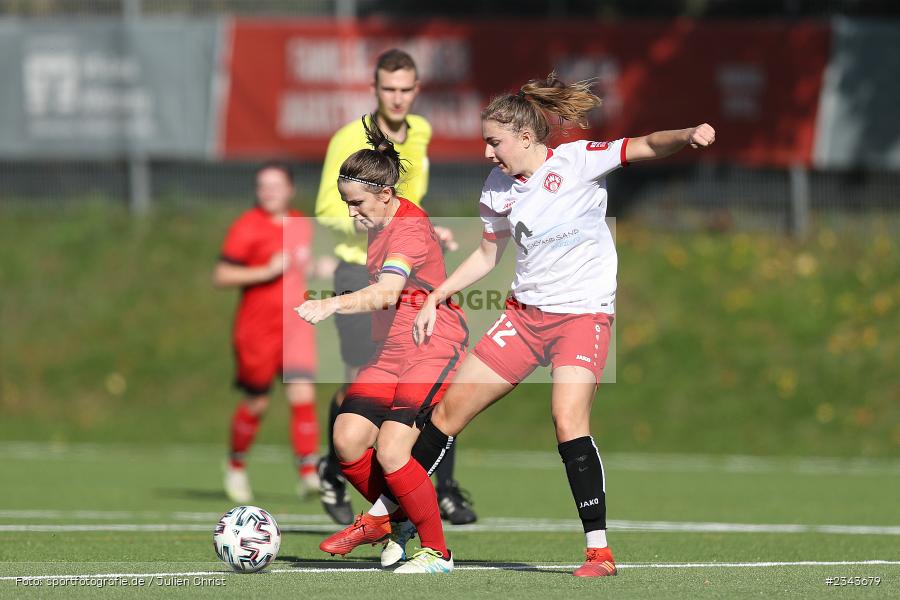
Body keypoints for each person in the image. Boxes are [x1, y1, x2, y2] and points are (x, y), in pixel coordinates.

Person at [406, 73, 717, 577]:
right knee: (447, 414)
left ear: (525, 137)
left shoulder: (576, 160)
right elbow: (488, 255)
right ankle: (383, 518)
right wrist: (437, 295)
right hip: (524, 318)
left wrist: (684, 135)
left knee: (568, 419)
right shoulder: (496, 188)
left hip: (582, 315)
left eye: (494, 142)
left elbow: (645, 146)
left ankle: (599, 552)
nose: (488, 153)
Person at [296, 118, 465, 574]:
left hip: (432, 343)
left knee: (392, 451)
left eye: (357, 204)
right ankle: (391, 523)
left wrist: (330, 305)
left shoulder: (405, 226)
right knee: (348, 439)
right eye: (347, 204)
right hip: (392, 347)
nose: (352, 214)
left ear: (385, 195)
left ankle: (437, 553)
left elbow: (388, 292)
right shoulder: (380, 220)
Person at [314, 48, 475, 527]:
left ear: (417, 90)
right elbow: (328, 212)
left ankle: (434, 491)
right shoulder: (349, 139)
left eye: (406, 89)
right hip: (357, 271)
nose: (399, 98)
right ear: (374, 89)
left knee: (427, 387)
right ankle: (335, 469)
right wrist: (380, 231)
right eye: (389, 89)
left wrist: (420, 236)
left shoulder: (421, 132)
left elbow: (406, 203)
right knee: (359, 389)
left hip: (404, 268)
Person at [214, 162, 320, 504]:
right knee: (257, 402)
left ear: (290, 189)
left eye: (276, 185)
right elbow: (222, 275)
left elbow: (311, 264)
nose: (269, 191)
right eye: (263, 185)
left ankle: (308, 473)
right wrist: (265, 271)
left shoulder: (303, 225)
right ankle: (235, 465)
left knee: (302, 394)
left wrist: (324, 268)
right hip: (257, 331)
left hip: (296, 328)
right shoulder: (247, 227)